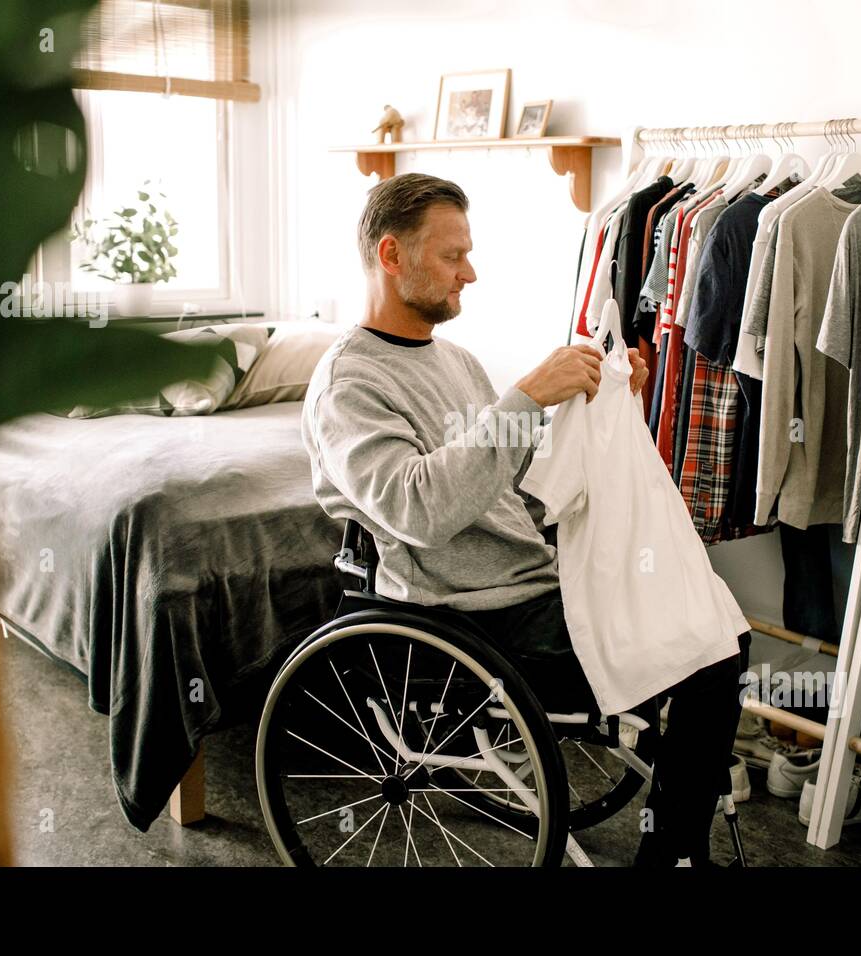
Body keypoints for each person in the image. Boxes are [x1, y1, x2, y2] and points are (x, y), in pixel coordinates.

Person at [301, 172, 748, 866]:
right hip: (463, 612)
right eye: (452, 256)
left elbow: (510, 486)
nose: (469, 273)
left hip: (530, 583)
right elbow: (419, 509)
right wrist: (528, 397)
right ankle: (674, 853)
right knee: (706, 651)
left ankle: (675, 832)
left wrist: (595, 402)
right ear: (392, 257)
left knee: (714, 613)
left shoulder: (455, 361)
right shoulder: (348, 385)